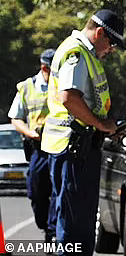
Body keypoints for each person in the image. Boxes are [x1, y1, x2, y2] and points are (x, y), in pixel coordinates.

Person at [40, 9, 123, 255]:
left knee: (78, 221)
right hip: (73, 148)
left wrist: (106, 126)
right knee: (73, 227)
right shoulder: (76, 52)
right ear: (99, 33)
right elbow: (69, 98)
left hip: (78, 148)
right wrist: (101, 125)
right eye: (112, 44)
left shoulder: (85, 53)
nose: (111, 50)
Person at [9, 48, 57, 242]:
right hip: (37, 148)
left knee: (58, 191)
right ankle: (44, 224)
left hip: (58, 146)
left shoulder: (63, 85)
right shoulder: (27, 87)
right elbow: (15, 118)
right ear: (44, 67)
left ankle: (53, 233)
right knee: (36, 191)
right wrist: (30, 133)